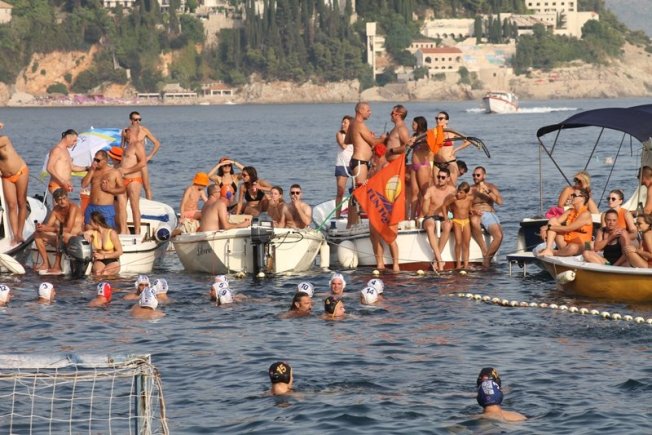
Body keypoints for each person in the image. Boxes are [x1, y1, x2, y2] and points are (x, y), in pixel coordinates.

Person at [33, 188, 83, 274]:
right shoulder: (56, 209)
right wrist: (41, 227)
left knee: (60, 234)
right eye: (59, 200)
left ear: (67, 198)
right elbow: (48, 226)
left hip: (74, 238)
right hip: (61, 237)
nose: (62, 201)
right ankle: (46, 263)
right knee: (37, 234)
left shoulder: (73, 208)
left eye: (64, 198)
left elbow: (68, 229)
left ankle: (57, 266)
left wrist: (48, 229)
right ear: (56, 201)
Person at [538, 188, 593, 257]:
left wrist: (548, 227)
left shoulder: (586, 214)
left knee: (573, 247)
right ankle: (548, 249)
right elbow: (553, 222)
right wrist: (545, 229)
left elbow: (569, 228)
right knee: (553, 220)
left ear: (582, 198)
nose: (570, 197)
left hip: (583, 245)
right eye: (571, 195)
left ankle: (553, 252)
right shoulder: (570, 211)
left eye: (574, 195)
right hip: (567, 243)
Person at [421, 167, 455, 271]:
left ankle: (436, 259)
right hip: (430, 217)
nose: (440, 179)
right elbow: (425, 211)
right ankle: (440, 260)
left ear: (448, 178)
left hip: (444, 217)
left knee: (448, 225)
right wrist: (425, 200)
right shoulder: (431, 190)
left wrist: (451, 217)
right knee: (430, 226)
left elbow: (454, 208)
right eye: (438, 177)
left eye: (443, 177)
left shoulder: (452, 190)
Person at [345, 102, 386, 187]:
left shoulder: (352, 123)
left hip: (358, 161)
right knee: (360, 189)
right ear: (360, 110)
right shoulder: (360, 124)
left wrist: (361, 139)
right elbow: (373, 142)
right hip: (360, 162)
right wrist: (383, 138)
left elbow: (347, 140)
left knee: (360, 188)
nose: (370, 112)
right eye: (368, 110)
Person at [81, 150, 125, 230]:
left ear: (105, 161)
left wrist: (110, 189)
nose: (95, 162)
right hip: (92, 206)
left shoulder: (114, 172)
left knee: (107, 231)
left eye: (98, 160)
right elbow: (84, 185)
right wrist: (91, 170)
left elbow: (122, 189)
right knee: (88, 229)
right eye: (94, 159)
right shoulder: (93, 171)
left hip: (106, 208)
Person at [470, 166, 504, 267]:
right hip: (476, 213)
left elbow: (500, 202)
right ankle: (484, 251)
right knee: (474, 221)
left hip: (489, 213)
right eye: (473, 175)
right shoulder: (471, 189)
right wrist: (472, 210)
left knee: (499, 236)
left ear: (484, 176)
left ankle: (487, 259)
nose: (475, 177)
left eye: (478, 175)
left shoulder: (490, 186)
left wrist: (487, 191)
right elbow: (463, 204)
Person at [122, 112, 160, 200]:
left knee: (146, 186)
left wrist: (149, 156)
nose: (138, 121)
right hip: (131, 161)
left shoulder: (144, 130)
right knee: (128, 183)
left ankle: (150, 204)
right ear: (131, 120)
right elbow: (122, 147)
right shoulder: (127, 131)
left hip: (141, 160)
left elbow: (157, 143)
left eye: (140, 119)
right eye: (136, 119)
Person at [0, 134, 30, 245]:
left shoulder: (4, 139)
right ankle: (15, 235)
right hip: (6, 177)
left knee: (21, 202)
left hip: (20, 172)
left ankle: (19, 234)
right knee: (11, 205)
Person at [120, 120, 148, 234]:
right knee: (121, 206)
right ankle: (123, 230)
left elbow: (143, 163)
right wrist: (122, 139)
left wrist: (127, 170)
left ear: (130, 131)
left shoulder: (137, 145)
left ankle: (137, 231)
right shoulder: (127, 146)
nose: (124, 133)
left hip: (133, 180)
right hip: (122, 179)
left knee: (134, 206)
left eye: (125, 131)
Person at [433, 112, 470, 184]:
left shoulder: (451, 132)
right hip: (437, 164)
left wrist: (455, 150)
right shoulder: (433, 132)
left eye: (441, 118)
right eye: (436, 118)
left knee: (451, 187)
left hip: (449, 162)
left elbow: (468, 141)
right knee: (437, 187)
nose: (438, 120)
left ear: (446, 121)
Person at [446, 182, 474, 269]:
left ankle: (466, 265)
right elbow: (444, 206)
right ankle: (458, 264)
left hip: (466, 221)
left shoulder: (469, 199)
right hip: (456, 221)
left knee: (466, 243)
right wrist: (447, 217)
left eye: (461, 193)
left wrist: (472, 211)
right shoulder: (454, 199)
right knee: (458, 242)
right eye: (458, 191)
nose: (458, 194)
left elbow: (470, 208)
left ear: (466, 193)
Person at [85, 211, 123, 276]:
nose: (89, 224)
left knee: (105, 273)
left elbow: (120, 252)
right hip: (99, 260)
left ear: (96, 223)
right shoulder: (94, 232)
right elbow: (80, 233)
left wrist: (104, 256)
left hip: (112, 260)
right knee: (97, 273)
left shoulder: (111, 233)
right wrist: (85, 234)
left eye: (91, 222)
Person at [46, 129, 83, 194]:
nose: (75, 143)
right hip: (57, 185)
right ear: (68, 137)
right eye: (74, 141)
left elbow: (72, 167)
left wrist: (87, 168)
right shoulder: (57, 150)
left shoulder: (66, 151)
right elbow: (49, 168)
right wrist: (63, 181)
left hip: (64, 186)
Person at [408, 116, 430, 219]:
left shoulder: (427, 135)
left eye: (414, 124)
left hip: (422, 166)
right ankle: (412, 217)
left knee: (424, 192)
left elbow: (427, 147)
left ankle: (426, 215)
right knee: (414, 193)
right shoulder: (414, 135)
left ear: (419, 125)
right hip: (414, 166)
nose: (412, 126)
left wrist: (417, 141)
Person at [334, 115, 353, 218]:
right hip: (342, 165)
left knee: (356, 190)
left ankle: (354, 214)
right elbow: (343, 145)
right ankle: (337, 215)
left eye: (345, 122)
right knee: (340, 191)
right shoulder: (339, 134)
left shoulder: (355, 135)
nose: (342, 124)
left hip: (354, 164)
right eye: (342, 122)